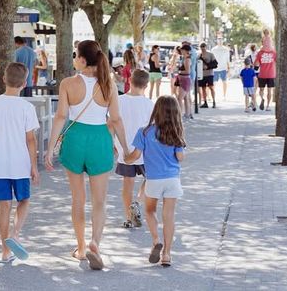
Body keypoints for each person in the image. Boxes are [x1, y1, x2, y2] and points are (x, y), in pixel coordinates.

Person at [45, 40, 128, 271]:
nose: (73, 59)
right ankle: (95, 243)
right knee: (99, 201)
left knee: (78, 199)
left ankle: (80, 248)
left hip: (75, 139)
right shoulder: (108, 84)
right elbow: (116, 119)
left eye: (75, 55)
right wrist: (126, 149)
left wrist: (50, 148)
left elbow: (61, 116)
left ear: (82, 60)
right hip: (100, 140)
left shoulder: (68, 84)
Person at [0, 62, 40, 264]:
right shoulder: (27, 107)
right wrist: (34, 166)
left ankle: (5, 252)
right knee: (24, 200)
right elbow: (30, 140)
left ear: (4, 79)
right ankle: (15, 234)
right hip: (20, 163)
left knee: (4, 205)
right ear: (25, 83)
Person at [124, 95, 186, 268]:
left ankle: (156, 240)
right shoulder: (175, 132)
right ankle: (167, 254)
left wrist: (125, 158)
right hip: (172, 179)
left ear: (156, 110)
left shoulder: (145, 131)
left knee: (150, 211)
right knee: (169, 216)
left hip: (153, 180)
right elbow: (180, 157)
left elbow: (135, 156)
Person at [114, 69, 153, 228]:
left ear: (129, 80)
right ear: (146, 85)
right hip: (144, 150)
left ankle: (128, 217)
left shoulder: (118, 100)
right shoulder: (149, 104)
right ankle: (137, 202)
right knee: (150, 179)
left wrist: (113, 144)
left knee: (127, 184)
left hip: (125, 149)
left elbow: (112, 123)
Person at [254, 31, 277, 111]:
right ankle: (267, 106)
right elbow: (277, 61)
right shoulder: (274, 52)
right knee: (269, 90)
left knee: (261, 89)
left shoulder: (260, 53)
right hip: (271, 74)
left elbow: (256, 64)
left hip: (262, 74)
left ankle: (262, 98)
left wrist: (255, 68)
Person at [176, 45, 193, 119]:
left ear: (186, 51)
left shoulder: (187, 59)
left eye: (182, 50)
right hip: (184, 79)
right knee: (186, 98)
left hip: (184, 79)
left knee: (180, 98)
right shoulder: (185, 58)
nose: (181, 51)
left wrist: (179, 71)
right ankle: (187, 113)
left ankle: (181, 114)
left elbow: (187, 71)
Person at [198, 43, 217, 108]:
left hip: (209, 74)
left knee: (211, 87)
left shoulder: (210, 54)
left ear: (206, 47)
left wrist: (208, 67)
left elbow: (215, 64)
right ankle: (205, 102)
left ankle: (214, 101)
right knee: (203, 88)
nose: (202, 48)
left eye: (203, 46)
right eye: (201, 46)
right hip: (202, 74)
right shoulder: (199, 56)